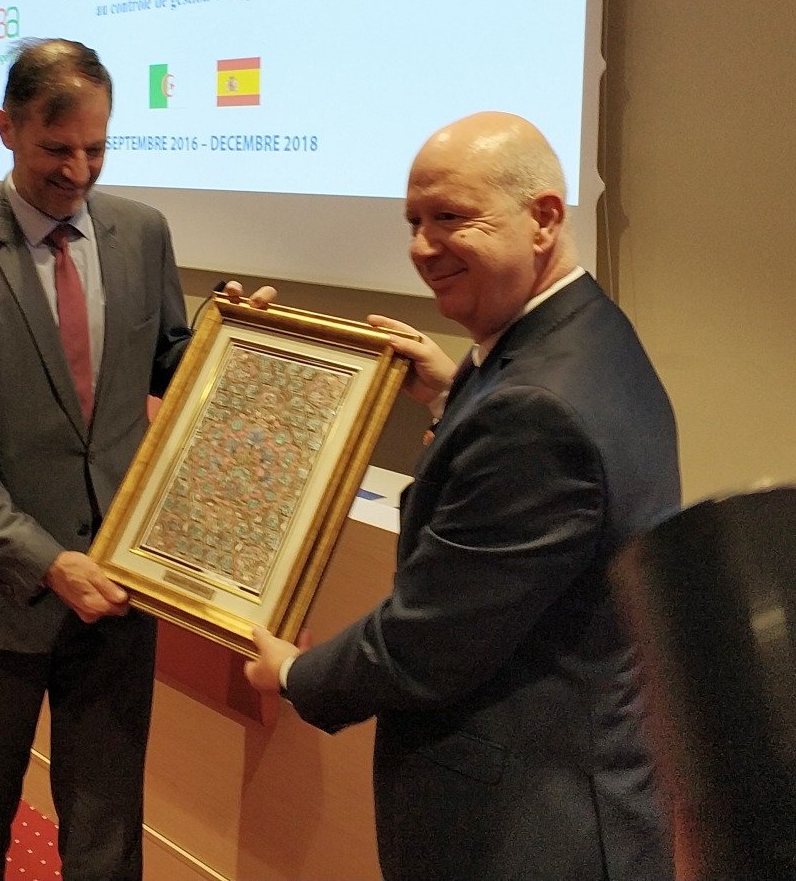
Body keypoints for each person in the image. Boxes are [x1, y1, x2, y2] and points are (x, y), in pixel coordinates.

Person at [245, 111, 680, 881]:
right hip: (569, 781)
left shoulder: (535, 409)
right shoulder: (586, 330)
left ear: (543, 217)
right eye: (414, 221)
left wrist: (293, 674)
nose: (422, 246)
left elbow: (426, 642)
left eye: (450, 217)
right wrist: (456, 398)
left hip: (527, 829)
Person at [0, 38, 268, 881]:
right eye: (56, 148)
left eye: (96, 148)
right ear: (5, 128)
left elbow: (167, 362)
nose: (79, 170)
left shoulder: (141, 233)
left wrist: (235, 340)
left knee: (108, 833)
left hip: (118, 594)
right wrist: (44, 560)